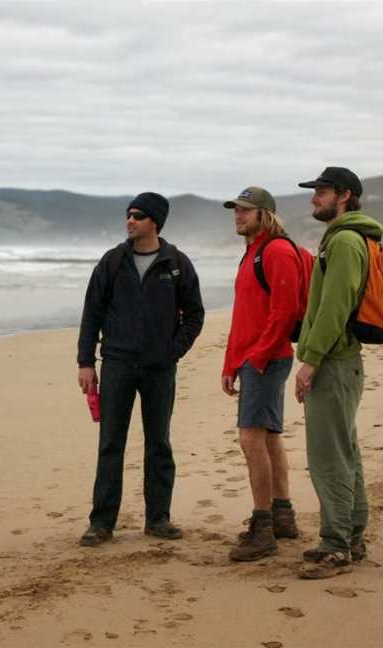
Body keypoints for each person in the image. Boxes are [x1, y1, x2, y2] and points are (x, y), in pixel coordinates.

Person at [76, 192, 205, 547]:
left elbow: (194, 315)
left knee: (159, 443)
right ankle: (101, 523)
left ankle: (158, 519)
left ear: (155, 223)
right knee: (110, 444)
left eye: (138, 216)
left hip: (159, 369)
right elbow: (92, 314)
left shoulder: (176, 263)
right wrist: (86, 362)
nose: (130, 221)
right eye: (128, 215)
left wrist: (172, 352)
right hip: (116, 364)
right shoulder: (112, 262)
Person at [294, 167, 383, 579]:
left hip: (334, 361)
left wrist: (310, 359)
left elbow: (334, 308)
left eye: (322, 192)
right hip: (340, 361)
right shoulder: (344, 238)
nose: (315, 198)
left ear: (344, 196)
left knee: (329, 456)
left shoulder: (346, 241)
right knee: (345, 452)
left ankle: (337, 546)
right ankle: (353, 536)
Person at [221, 186, 303, 561]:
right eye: (235, 210)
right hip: (255, 359)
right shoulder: (251, 253)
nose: (237, 215)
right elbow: (244, 315)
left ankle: (263, 528)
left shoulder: (277, 251)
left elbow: (283, 312)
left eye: (245, 210)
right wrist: (230, 363)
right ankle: (283, 516)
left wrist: (256, 358)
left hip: (268, 360)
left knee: (250, 438)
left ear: (264, 214)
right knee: (268, 437)